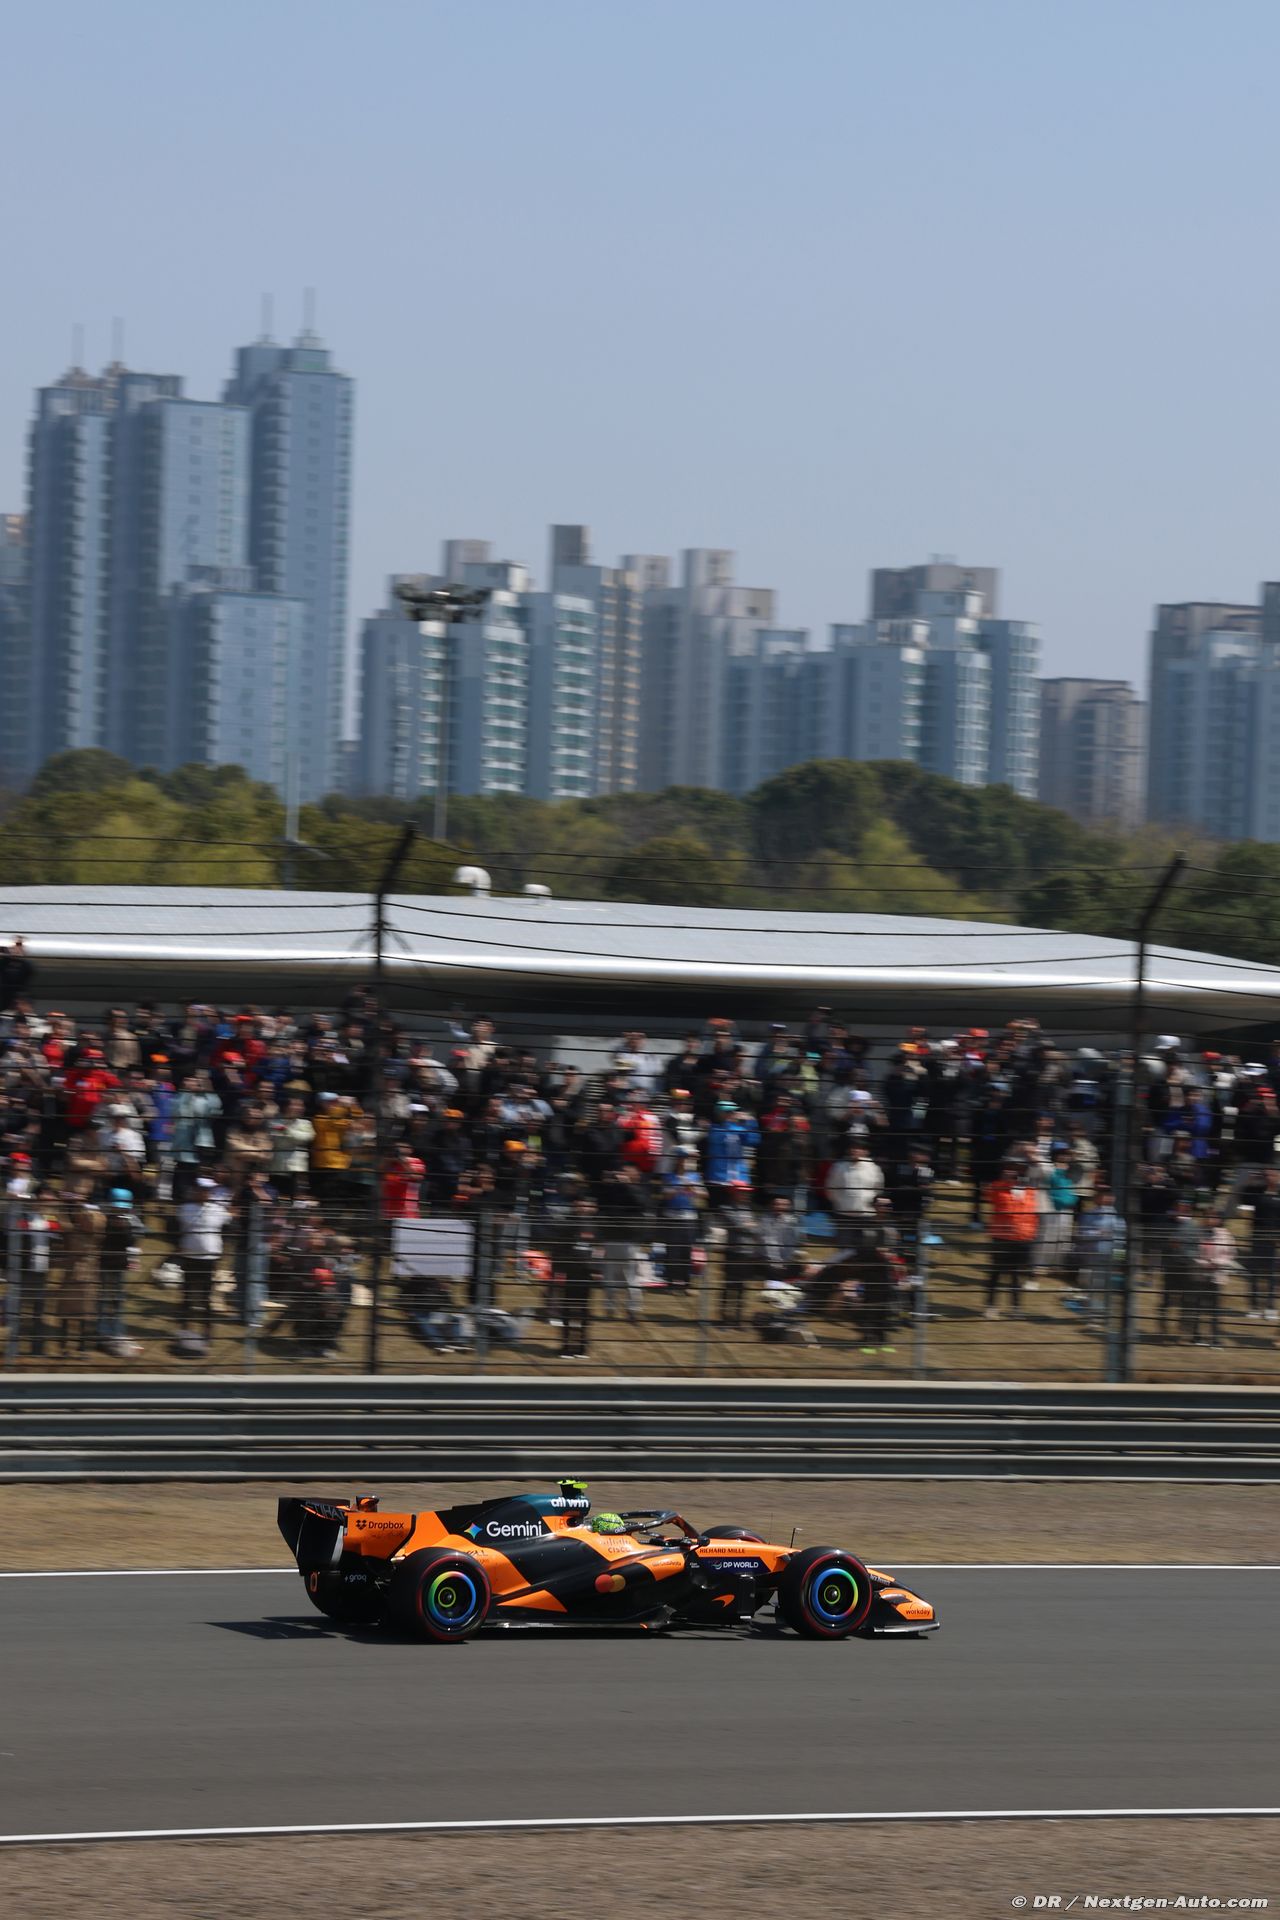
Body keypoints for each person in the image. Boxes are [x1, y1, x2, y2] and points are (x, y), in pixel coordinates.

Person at [177, 1176, 231, 1354]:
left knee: (206, 1297)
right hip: (190, 1257)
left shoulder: (218, 1210)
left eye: (207, 1190)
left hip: (209, 1259)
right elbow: (174, 1229)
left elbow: (229, 1225)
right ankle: (185, 1329)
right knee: (187, 1295)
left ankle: (207, 1332)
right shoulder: (185, 1209)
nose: (204, 1193)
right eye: (201, 1190)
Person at [984, 1161, 1038, 1318]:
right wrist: (1004, 1181)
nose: (1015, 1174)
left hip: (1022, 1238)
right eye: (1011, 1171)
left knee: (1016, 1275)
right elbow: (989, 1194)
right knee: (996, 1272)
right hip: (1001, 1237)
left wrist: (1030, 1235)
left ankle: (1016, 1307)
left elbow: (1032, 1215)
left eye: (1019, 1171)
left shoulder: (1030, 1191)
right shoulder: (998, 1188)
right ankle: (990, 1305)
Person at [825, 1139, 884, 1248]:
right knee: (844, 1248)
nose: (855, 1150)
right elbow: (831, 1188)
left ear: (865, 1151)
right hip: (844, 1216)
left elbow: (878, 1189)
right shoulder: (839, 1167)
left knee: (865, 1247)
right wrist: (841, 1203)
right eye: (853, 1148)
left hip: (866, 1216)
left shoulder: (874, 1169)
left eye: (859, 1148)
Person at [1244, 1166, 1280, 1323]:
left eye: (1273, 1175)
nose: (1270, 1177)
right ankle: (1254, 1307)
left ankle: (1270, 1307)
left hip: (1273, 1239)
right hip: (1257, 1236)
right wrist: (1250, 1182)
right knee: (1254, 1273)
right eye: (1267, 1175)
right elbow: (1245, 1200)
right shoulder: (1258, 1192)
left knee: (1271, 1274)